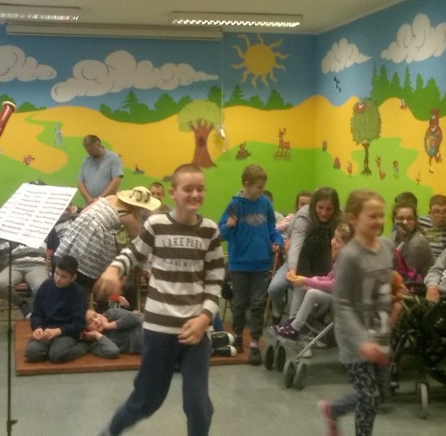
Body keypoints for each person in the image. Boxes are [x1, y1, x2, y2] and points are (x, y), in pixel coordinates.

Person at [95, 163, 225, 436]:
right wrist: (113, 269)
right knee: (147, 401)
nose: (195, 194)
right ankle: (110, 432)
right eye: (188, 189)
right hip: (158, 331)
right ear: (173, 192)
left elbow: (215, 279)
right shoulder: (157, 225)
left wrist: (205, 318)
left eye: (200, 189)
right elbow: (133, 253)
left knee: (197, 406)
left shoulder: (210, 230)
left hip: (195, 332)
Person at [319, 190, 393, 436]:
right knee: (369, 395)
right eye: (372, 216)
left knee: (379, 394)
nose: (379, 221)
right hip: (355, 340)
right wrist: (362, 342)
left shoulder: (386, 247)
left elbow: (384, 289)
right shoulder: (349, 256)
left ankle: (332, 410)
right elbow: (342, 304)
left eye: (381, 215)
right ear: (353, 218)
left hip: (380, 334)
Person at [217, 164, 283, 365]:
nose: (261, 191)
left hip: (261, 263)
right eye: (258, 187)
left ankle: (254, 343)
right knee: (239, 304)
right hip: (239, 263)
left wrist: (277, 241)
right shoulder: (234, 204)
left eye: (263, 187)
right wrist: (229, 226)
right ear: (247, 184)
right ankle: (238, 337)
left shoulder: (265, 203)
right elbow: (222, 233)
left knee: (257, 305)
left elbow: (272, 228)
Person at [53, 186, 161, 294]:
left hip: (78, 229)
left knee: (68, 266)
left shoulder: (111, 198)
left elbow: (84, 211)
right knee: (88, 275)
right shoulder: (128, 216)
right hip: (94, 239)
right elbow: (139, 240)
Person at [274, 221, 350, 343]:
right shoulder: (339, 259)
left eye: (337, 240)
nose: (333, 242)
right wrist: (313, 280)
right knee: (302, 286)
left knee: (312, 293)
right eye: (334, 238)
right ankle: (292, 320)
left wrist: (308, 281)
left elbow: (334, 285)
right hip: (333, 294)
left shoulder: (347, 263)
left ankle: (295, 328)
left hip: (341, 299)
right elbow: (330, 277)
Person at [284, 187, 341, 322]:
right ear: (314, 205)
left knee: (321, 285)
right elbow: (296, 244)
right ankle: (293, 320)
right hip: (303, 251)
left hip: (323, 251)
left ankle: (315, 319)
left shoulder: (340, 217)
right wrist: (292, 267)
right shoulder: (304, 216)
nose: (324, 213)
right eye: (320, 207)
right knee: (301, 285)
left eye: (329, 209)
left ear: (335, 208)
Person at [25, 255, 89, 363]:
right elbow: (37, 313)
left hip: (66, 332)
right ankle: (50, 348)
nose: (58, 279)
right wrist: (37, 327)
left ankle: (84, 346)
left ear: (73, 278)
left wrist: (59, 331)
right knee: (31, 352)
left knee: (56, 355)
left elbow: (78, 323)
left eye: (64, 276)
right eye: (57, 273)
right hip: (46, 330)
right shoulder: (46, 285)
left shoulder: (79, 293)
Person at [268, 190, 313, 324]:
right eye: (302, 204)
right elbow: (277, 232)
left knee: (303, 291)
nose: (304, 207)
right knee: (274, 288)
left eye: (308, 204)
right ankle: (278, 307)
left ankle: (297, 321)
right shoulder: (292, 220)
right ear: (297, 205)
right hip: (289, 264)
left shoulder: (315, 223)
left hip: (308, 268)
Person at [0, 238, 50, 319]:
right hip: (14, 265)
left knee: (41, 287)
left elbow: (52, 247)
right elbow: (4, 261)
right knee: (0, 284)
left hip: (37, 264)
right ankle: (23, 305)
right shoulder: (10, 234)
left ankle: (35, 314)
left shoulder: (42, 231)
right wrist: (0, 245)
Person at [391, 201, 433, 285]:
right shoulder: (393, 236)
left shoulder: (417, 243)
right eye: (400, 218)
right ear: (394, 220)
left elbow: (406, 279)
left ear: (415, 221)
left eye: (409, 218)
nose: (405, 222)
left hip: (418, 288)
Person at [77, 134, 124, 206]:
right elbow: (80, 182)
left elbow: (116, 181)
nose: (89, 153)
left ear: (98, 145)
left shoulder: (113, 158)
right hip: (91, 203)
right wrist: (89, 199)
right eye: (87, 151)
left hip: (109, 203)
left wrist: (100, 198)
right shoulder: (85, 161)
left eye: (91, 150)